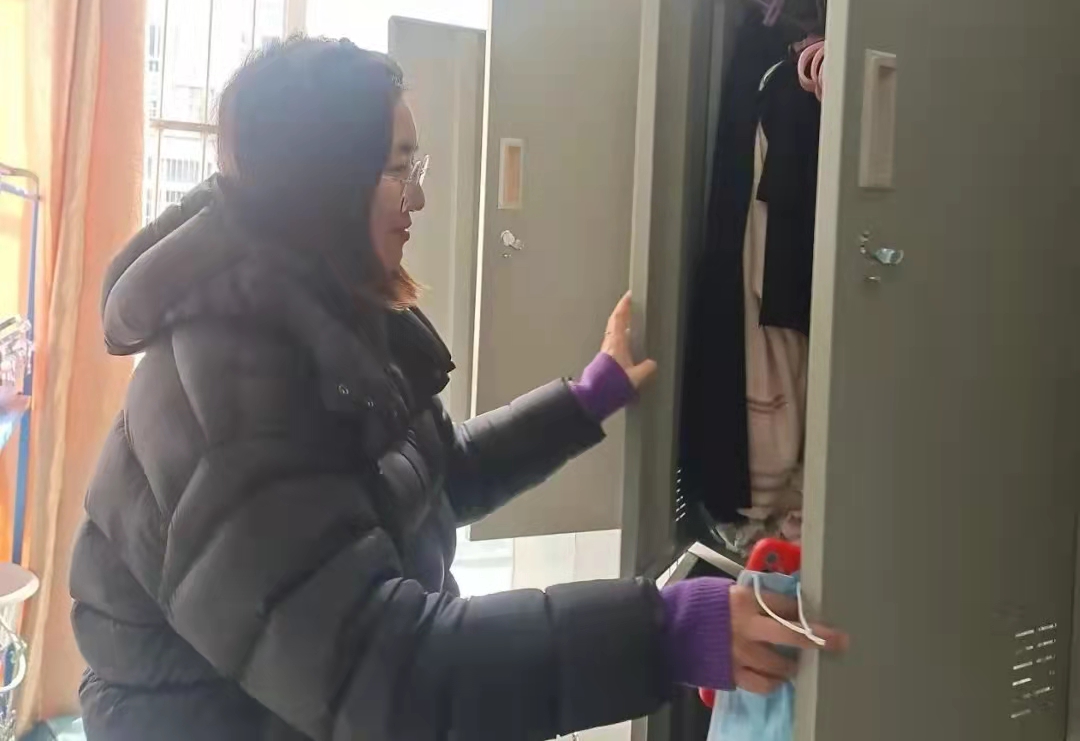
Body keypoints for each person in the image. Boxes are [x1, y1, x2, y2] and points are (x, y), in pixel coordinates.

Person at [70, 36, 844, 741]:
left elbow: (428, 477)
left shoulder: (317, 317)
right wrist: (661, 632)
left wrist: (586, 398)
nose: (419, 198)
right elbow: (388, 672)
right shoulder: (232, 399)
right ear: (325, 181)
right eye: (398, 169)